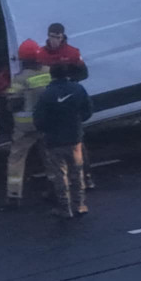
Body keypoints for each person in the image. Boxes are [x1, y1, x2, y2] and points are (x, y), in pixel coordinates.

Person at [36, 22, 95, 190]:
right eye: (52, 37)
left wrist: (69, 80)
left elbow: (84, 73)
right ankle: (59, 182)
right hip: (51, 101)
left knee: (77, 144)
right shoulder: (41, 54)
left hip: (68, 100)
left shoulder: (72, 53)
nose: (54, 41)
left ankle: (86, 177)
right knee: (53, 147)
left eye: (58, 37)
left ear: (62, 37)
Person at [34, 62, 93, 218]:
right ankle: (79, 205)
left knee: (60, 175)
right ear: (67, 74)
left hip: (54, 141)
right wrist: (77, 122)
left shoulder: (46, 95)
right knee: (77, 172)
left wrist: (47, 130)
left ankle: (65, 208)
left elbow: (39, 120)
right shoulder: (78, 89)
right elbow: (88, 111)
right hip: (74, 138)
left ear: (51, 75)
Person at [2, 39, 51, 207]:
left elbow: (13, 104)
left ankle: (14, 194)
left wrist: (8, 97)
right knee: (50, 156)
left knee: (16, 159)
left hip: (24, 127)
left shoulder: (20, 79)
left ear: (23, 60)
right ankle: (55, 187)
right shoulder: (49, 73)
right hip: (45, 124)